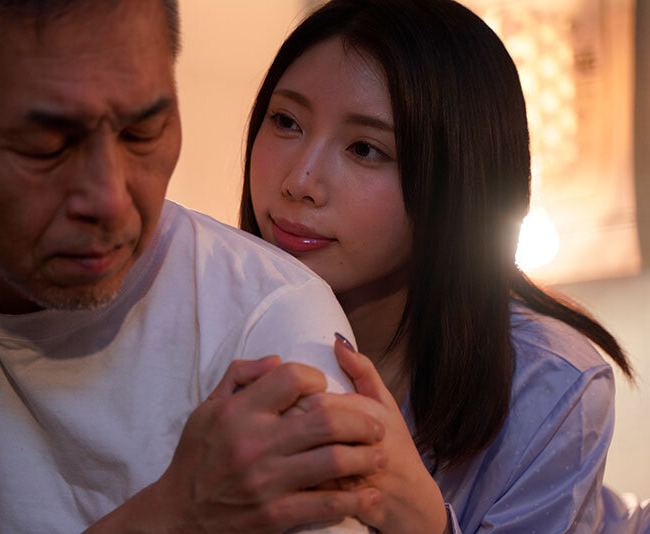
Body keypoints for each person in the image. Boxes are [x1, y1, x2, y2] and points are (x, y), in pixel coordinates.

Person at [0, 1, 388, 532]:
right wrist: (172, 514)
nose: (110, 200)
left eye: (141, 133)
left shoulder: (269, 322)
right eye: (46, 147)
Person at [238, 0, 641, 532]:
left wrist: (425, 521)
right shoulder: (204, 308)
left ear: (455, 185)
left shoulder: (548, 385)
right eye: (286, 121)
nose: (300, 181)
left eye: (365, 149)